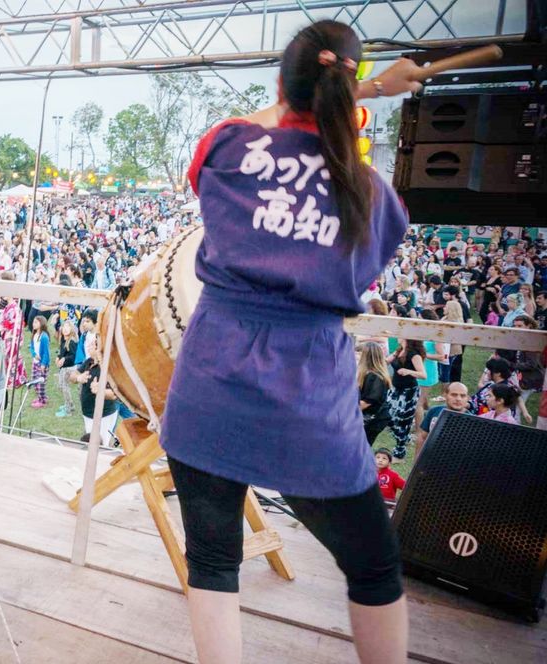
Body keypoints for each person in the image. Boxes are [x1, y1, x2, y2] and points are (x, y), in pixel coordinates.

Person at [160, 21, 421, 664]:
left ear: (282, 82)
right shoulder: (375, 196)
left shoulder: (226, 147)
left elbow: (256, 123)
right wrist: (369, 98)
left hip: (208, 383)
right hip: (308, 397)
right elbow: (360, 269)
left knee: (214, 562)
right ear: (347, 89)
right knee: (373, 566)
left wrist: (355, 91)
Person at [73, 333, 119, 446]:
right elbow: (72, 376)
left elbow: (114, 394)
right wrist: (78, 377)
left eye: (93, 344)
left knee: (101, 446)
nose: (89, 345)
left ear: (100, 348)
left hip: (104, 415)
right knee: (89, 443)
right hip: (88, 413)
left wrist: (100, 391)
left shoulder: (109, 366)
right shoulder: (89, 362)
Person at [387, 338, 427, 459]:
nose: (397, 337)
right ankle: (406, 437)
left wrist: (408, 371)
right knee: (387, 415)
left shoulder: (414, 355)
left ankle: (400, 453)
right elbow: (386, 361)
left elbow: (423, 374)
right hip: (395, 389)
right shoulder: (399, 350)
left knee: (403, 421)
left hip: (408, 392)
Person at [358, 342, 391, 447]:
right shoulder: (365, 373)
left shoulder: (375, 377)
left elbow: (368, 401)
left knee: (361, 448)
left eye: (359, 354)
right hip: (366, 418)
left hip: (373, 419)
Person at [417, 382, 468, 451]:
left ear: (467, 398)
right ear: (445, 395)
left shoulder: (471, 420)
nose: (458, 399)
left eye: (462, 396)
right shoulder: (434, 411)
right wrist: (417, 460)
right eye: (454, 395)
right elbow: (423, 437)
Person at [55, 319, 79, 417]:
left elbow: (73, 357)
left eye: (68, 327)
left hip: (69, 368)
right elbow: (62, 352)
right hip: (63, 368)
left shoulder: (72, 341)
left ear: (72, 329)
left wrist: (64, 359)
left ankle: (68, 410)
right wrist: (58, 357)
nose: (65, 329)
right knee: (61, 386)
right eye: (64, 327)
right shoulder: (63, 339)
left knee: (64, 387)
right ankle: (70, 404)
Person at [28, 314, 50, 408]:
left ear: (42, 324)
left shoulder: (44, 337)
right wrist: (34, 355)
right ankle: (42, 397)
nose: (33, 324)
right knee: (34, 380)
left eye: (36, 322)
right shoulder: (34, 335)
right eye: (33, 322)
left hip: (42, 364)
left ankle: (42, 401)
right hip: (35, 362)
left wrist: (43, 364)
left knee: (41, 382)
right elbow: (32, 347)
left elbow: (46, 352)